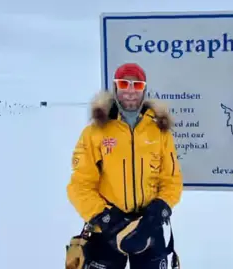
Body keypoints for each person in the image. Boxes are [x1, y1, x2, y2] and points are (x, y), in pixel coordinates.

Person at [65, 63, 183, 269]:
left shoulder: (159, 131)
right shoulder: (95, 132)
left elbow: (171, 180)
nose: (130, 90)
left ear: (144, 90)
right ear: (115, 87)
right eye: (124, 84)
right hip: (105, 230)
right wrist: (105, 217)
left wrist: (159, 209)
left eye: (136, 85)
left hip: (148, 227)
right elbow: (80, 185)